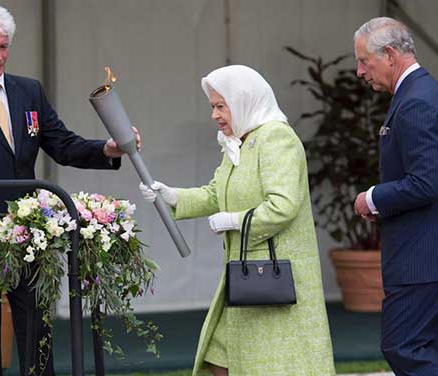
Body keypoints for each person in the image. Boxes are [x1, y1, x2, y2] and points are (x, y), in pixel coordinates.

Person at [0, 3, 140, 375]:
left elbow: (61, 143)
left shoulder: (28, 91)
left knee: (37, 339)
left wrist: (106, 148)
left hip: (31, 236)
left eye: (4, 46)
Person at [140, 65, 335, 376]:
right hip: (247, 273)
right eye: (213, 107)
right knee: (220, 356)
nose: (215, 115)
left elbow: (283, 205)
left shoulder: (276, 138)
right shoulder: (238, 142)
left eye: (221, 106)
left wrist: (233, 221)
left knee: (262, 364)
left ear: (244, 100)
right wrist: (172, 196)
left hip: (275, 273)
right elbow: (217, 194)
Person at [353, 17, 438, 375]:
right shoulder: (422, 93)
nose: (359, 71)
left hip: (425, 257)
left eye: (363, 61)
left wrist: (372, 198)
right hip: (437, 253)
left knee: (402, 344)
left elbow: (424, 183)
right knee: (435, 351)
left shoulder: (417, 101)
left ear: (389, 54)